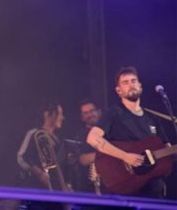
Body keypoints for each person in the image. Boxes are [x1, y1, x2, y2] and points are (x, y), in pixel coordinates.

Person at [86, 66, 171, 198]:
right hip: (123, 182)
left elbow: (167, 149)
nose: (131, 85)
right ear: (118, 90)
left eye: (134, 81)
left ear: (140, 86)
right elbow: (92, 138)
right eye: (125, 82)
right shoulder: (113, 113)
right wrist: (125, 156)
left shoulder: (152, 117)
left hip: (151, 186)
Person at [16, 101, 71, 191]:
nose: (62, 117)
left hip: (56, 191)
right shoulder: (35, 134)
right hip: (38, 190)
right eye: (59, 114)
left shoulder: (57, 140)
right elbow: (22, 158)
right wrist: (40, 174)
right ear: (48, 114)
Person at [70, 99, 102, 193]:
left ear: (99, 112)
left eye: (92, 111)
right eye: (86, 113)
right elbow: (83, 159)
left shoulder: (110, 130)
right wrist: (110, 153)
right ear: (82, 117)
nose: (90, 115)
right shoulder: (80, 135)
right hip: (92, 187)